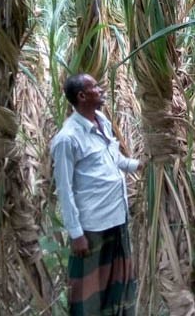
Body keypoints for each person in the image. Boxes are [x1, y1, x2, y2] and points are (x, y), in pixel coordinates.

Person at [51, 73, 141, 316]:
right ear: (82, 96)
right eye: (95, 87)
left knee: (117, 285)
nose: (101, 90)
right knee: (89, 292)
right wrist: (76, 233)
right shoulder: (67, 139)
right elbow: (65, 189)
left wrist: (138, 165)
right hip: (93, 226)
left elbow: (115, 160)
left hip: (117, 218)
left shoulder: (101, 120)